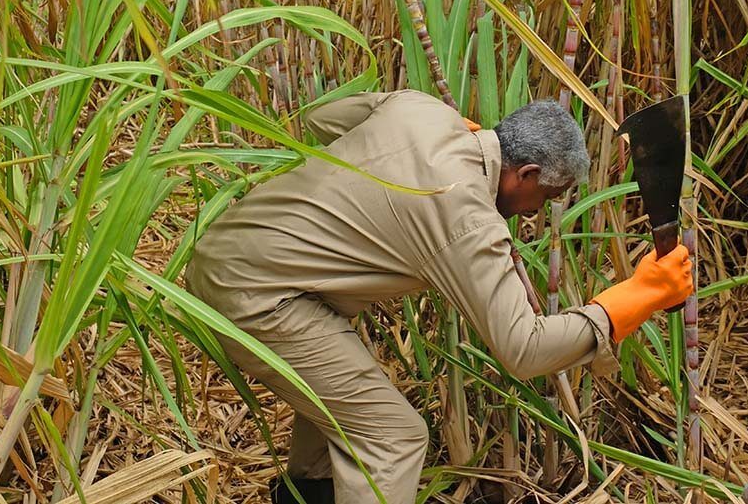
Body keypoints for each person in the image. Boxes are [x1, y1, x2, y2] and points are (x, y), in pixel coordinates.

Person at [183, 90, 693, 504]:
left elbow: (318, 119)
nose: (536, 213)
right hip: (255, 297)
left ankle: (309, 495)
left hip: (227, 251)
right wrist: (637, 297)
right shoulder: (467, 219)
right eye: (546, 197)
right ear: (526, 175)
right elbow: (523, 349)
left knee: (348, 405)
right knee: (393, 439)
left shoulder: (418, 108)